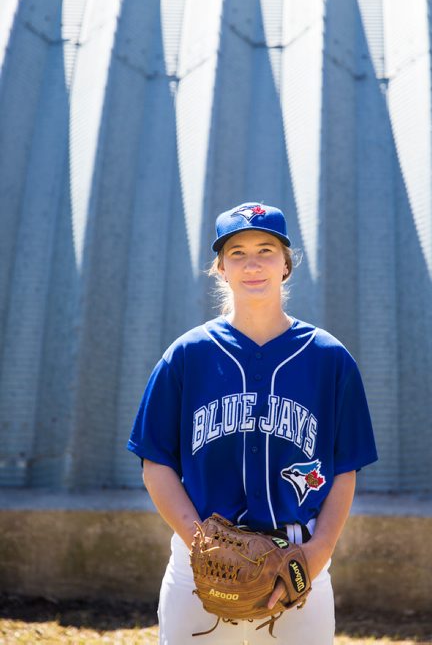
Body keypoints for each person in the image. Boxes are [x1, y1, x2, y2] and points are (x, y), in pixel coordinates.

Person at [127, 202, 378, 644]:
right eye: (237, 253)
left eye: (266, 249)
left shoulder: (329, 359)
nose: (252, 263)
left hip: (297, 558)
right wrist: (203, 545)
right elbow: (155, 463)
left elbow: (344, 469)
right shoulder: (187, 355)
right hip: (198, 563)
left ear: (286, 264)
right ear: (220, 268)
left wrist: (316, 556)